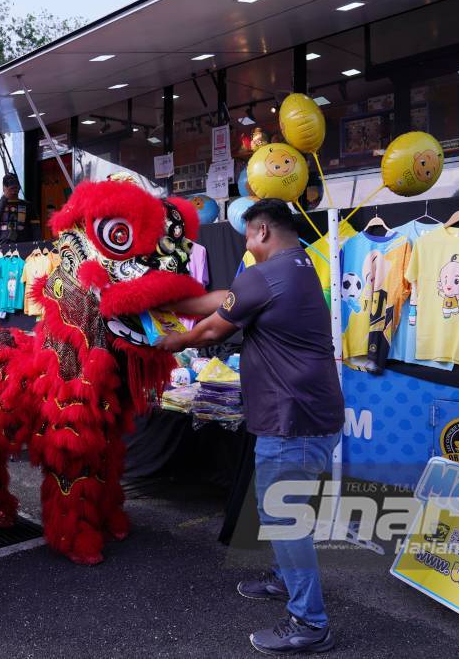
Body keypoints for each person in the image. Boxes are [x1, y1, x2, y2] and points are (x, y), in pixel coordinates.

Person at [156, 199, 344, 655]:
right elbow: (224, 298)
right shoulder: (298, 266)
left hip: (293, 421)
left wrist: (171, 341)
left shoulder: (267, 274)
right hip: (307, 416)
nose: (246, 244)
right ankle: (285, 580)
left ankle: (310, 623)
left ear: (262, 231)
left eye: (247, 236)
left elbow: (209, 331)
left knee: (283, 517)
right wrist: (165, 300)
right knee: (281, 509)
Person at [0, 173, 32, 244]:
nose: (14, 191)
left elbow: (35, 228)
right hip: (2, 247)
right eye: (11, 188)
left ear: (19, 188)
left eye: (16, 188)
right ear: (4, 188)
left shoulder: (27, 206)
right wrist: (4, 197)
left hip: (23, 246)